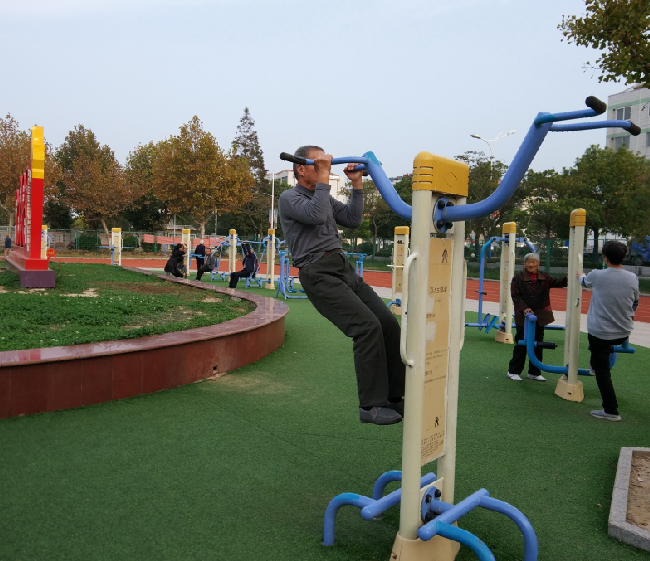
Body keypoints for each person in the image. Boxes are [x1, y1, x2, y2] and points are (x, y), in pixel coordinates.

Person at [278, 146, 405, 426]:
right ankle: (370, 405)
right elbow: (314, 215)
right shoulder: (289, 197)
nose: (325, 167)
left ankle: (395, 396)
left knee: (387, 323)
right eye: (318, 163)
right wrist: (325, 177)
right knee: (366, 327)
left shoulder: (322, 196)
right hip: (317, 272)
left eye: (325, 163)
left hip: (342, 268)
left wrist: (357, 184)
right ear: (301, 168)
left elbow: (352, 219)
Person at [577, 241, 639, 422]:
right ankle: (596, 362)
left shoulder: (598, 275)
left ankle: (610, 410)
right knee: (603, 349)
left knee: (602, 371)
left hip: (601, 332)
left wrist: (580, 274)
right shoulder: (632, 277)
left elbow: (584, 281)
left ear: (605, 258)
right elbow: (635, 302)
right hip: (623, 331)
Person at [507, 253, 568, 382]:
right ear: (525, 264)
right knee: (521, 344)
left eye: (534, 262)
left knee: (538, 343)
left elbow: (558, 282)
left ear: (538, 264)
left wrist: (568, 279)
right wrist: (524, 308)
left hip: (539, 316)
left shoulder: (544, 277)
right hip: (523, 316)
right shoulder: (518, 278)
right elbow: (515, 296)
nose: (531, 265)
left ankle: (534, 372)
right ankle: (513, 371)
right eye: (528, 262)